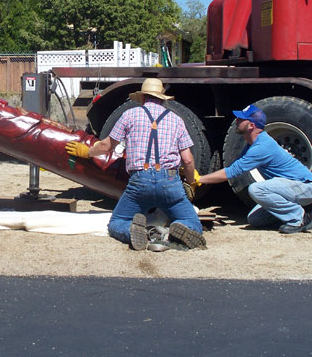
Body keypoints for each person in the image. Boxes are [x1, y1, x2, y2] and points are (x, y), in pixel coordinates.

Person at [65, 78, 205, 251]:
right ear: (162, 98)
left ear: (142, 97)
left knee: (117, 222)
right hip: (170, 182)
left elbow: (106, 146)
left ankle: (133, 231)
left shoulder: (129, 115)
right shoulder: (176, 120)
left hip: (140, 181)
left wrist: (87, 152)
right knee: (193, 222)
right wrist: (191, 181)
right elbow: (188, 159)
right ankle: (177, 231)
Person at [198, 104, 312, 233]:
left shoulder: (262, 147)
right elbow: (233, 167)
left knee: (256, 189)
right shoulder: (252, 144)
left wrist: (199, 179)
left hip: (305, 186)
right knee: (255, 219)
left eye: (241, 119)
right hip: (290, 188)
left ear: (251, 125)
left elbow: (231, 172)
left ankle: (300, 218)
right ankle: (304, 209)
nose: (236, 121)